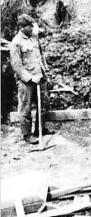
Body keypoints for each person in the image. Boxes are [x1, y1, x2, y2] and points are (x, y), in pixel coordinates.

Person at [9, 14, 51, 144]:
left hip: (40, 77)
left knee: (44, 104)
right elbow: (16, 65)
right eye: (29, 26)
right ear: (21, 28)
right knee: (25, 108)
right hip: (26, 81)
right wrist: (30, 78)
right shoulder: (16, 42)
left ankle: (40, 129)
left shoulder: (34, 37)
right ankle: (27, 135)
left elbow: (40, 55)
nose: (32, 28)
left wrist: (45, 70)